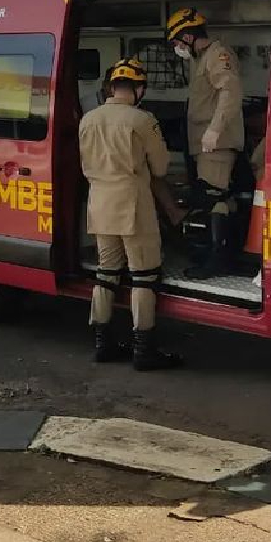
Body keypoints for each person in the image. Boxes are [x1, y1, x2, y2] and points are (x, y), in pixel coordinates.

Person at [79, 58, 181, 371]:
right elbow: (161, 167)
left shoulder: (88, 119)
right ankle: (144, 350)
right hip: (133, 205)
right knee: (144, 276)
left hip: (99, 203)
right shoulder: (142, 120)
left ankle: (103, 343)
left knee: (106, 274)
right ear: (138, 89)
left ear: (111, 87)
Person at [165, 7, 244, 279]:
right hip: (205, 144)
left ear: (188, 36)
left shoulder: (216, 55)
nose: (176, 46)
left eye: (176, 40)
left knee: (215, 199)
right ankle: (224, 253)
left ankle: (218, 260)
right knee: (220, 197)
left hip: (215, 144)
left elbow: (230, 91)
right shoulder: (200, 59)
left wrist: (214, 130)